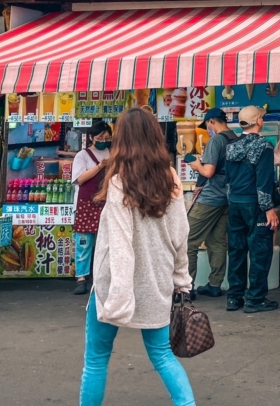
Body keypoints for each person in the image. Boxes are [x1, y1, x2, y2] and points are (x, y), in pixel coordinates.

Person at [79, 108, 195, 406]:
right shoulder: (171, 176)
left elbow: (119, 243)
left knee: (96, 360)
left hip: (113, 284)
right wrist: (182, 279)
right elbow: (181, 234)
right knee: (162, 354)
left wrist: (119, 294)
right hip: (156, 281)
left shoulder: (119, 181)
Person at [224, 105, 279, 313]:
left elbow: (228, 181)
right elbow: (264, 180)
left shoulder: (231, 146)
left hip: (235, 204)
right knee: (259, 251)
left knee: (236, 250)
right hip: (255, 204)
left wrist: (233, 202)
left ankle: (234, 297)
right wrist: (269, 209)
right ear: (258, 121)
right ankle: (255, 298)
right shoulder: (263, 146)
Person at [185, 108, 236, 297]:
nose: (207, 129)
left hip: (210, 197)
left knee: (188, 240)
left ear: (212, 121)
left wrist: (197, 165)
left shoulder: (216, 141)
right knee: (217, 240)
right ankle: (215, 284)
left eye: (207, 125)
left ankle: (186, 287)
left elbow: (208, 172)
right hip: (227, 197)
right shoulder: (235, 138)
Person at [72, 121, 113, 296]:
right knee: (84, 242)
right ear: (91, 138)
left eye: (107, 137)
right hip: (86, 203)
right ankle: (81, 278)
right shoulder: (83, 155)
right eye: (100, 137)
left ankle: (102, 277)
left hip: (108, 201)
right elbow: (79, 179)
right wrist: (100, 166)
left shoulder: (113, 153)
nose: (104, 140)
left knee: (106, 242)